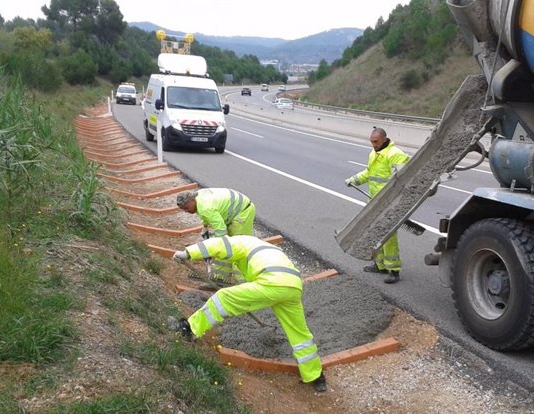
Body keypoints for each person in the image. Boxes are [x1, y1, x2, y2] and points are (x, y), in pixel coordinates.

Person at [169, 235, 327, 392]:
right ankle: (315, 375)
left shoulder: (240, 242)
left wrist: (188, 253)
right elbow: (245, 282)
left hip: (272, 282)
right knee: (299, 333)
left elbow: (218, 244)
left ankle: (188, 329)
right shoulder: (264, 249)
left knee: (224, 298)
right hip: (293, 286)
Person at [345, 127, 410, 284]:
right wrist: (354, 180)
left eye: (375, 142)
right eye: (371, 142)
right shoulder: (373, 153)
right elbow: (369, 173)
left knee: (388, 236)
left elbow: (403, 179)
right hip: (374, 202)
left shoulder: (395, 154)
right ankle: (380, 265)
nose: (373, 144)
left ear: (384, 139)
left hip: (389, 203)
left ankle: (394, 270)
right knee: (374, 234)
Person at [177, 188, 256, 283]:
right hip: (233, 210)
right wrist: (205, 225)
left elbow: (221, 234)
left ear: (192, 200)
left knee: (234, 247)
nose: (186, 211)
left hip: (243, 212)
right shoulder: (198, 197)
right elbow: (206, 214)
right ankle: (220, 278)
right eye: (183, 209)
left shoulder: (206, 208)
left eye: (186, 208)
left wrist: (211, 249)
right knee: (224, 247)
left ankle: (244, 283)